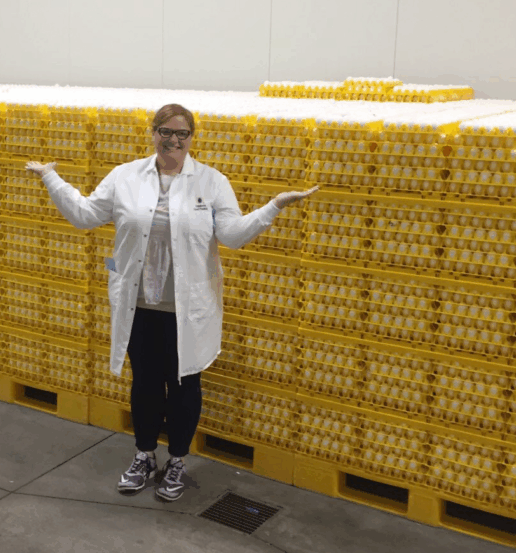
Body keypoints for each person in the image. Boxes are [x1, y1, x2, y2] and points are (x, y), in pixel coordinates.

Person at [26, 103, 318, 502]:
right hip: (140, 307)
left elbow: (231, 235)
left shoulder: (212, 182)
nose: (174, 141)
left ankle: (177, 460)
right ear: (153, 133)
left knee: (184, 387)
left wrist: (274, 206)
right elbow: (86, 214)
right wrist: (51, 178)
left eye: (182, 134)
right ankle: (144, 456)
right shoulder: (125, 177)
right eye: (166, 131)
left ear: (191, 138)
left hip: (188, 311)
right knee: (144, 383)